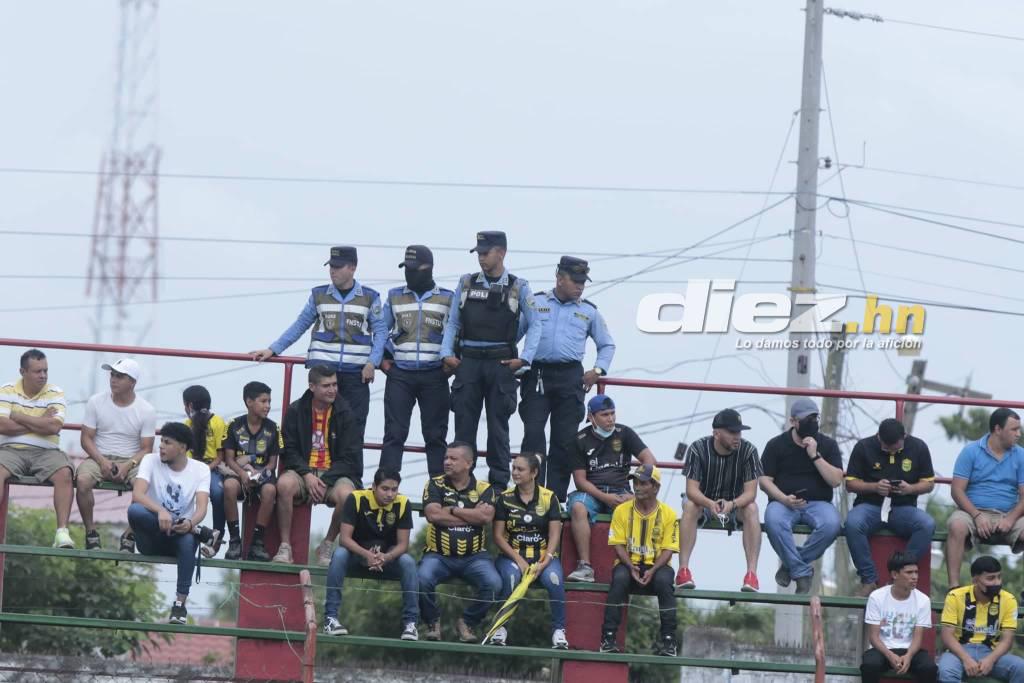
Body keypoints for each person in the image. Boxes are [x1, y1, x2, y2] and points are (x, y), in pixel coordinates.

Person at [250, 245, 387, 560]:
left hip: (354, 376)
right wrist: (273, 349)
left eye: (339, 266)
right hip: (321, 368)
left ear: (353, 268)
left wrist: (374, 362)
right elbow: (299, 325)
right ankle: (304, 481)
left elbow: (380, 332)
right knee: (307, 425)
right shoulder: (318, 295)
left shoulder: (370, 297)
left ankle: (345, 489)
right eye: (331, 266)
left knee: (351, 432)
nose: (333, 271)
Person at [439, 231, 542, 488]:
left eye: (486, 253)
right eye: (479, 254)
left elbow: (536, 324)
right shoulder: (465, 283)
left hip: (501, 363)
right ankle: (462, 485)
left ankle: (497, 486)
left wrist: (525, 358)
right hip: (469, 362)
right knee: (464, 427)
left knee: (498, 428)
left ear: (501, 253)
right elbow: (452, 322)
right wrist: (445, 354)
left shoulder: (519, 286)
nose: (481, 258)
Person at [518, 256, 615, 500]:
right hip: (537, 374)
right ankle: (531, 497)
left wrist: (598, 371)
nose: (580, 286)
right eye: (575, 280)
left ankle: (555, 500)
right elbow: (513, 335)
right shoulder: (536, 302)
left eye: (583, 281)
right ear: (559, 278)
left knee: (564, 442)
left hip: (571, 377)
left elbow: (607, 345)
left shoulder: (589, 311)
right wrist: (515, 364)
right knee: (533, 436)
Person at [378, 245, 454, 479]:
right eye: (406, 269)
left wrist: (449, 365)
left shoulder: (448, 298)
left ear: (428, 268)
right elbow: (380, 330)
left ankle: (439, 490)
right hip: (400, 374)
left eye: (413, 269)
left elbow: (457, 332)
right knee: (394, 433)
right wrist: (382, 360)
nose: (409, 274)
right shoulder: (394, 296)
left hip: (435, 375)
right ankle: (386, 488)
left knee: (435, 436)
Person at [276, 365, 363, 564]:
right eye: (326, 386)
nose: (332, 390)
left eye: (335, 384)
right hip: (302, 472)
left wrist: (325, 480)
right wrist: (307, 475)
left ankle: (327, 544)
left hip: (333, 474)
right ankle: (285, 547)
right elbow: (289, 450)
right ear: (312, 386)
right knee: (283, 485)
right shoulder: (296, 410)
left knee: (349, 496)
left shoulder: (345, 413)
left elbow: (350, 458)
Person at [565, 395, 656, 583]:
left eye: (613, 413)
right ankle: (585, 567)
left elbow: (650, 461)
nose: (611, 419)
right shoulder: (579, 439)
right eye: (605, 414)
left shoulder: (625, 433)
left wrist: (637, 488)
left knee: (641, 505)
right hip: (592, 492)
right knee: (577, 507)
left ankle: (640, 564)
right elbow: (580, 481)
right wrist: (605, 497)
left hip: (622, 489)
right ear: (591, 417)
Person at [127, 422, 211, 624]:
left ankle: (179, 605)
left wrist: (190, 524)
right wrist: (161, 511)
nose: (161, 447)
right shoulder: (150, 460)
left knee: (187, 541)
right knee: (135, 511)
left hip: (179, 537)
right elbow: (137, 495)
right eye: (161, 441)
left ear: (182, 447)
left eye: (167, 442)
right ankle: (198, 531)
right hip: (152, 536)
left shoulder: (200, 470)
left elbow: (201, 508)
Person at [418, 441, 500, 643]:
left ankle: (467, 622)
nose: (447, 462)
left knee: (494, 584)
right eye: (446, 457)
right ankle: (432, 622)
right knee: (421, 579)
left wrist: (453, 510)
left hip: (474, 557)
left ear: (468, 463)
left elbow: (485, 519)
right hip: (438, 555)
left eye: (453, 459)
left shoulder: (484, 488)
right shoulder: (435, 484)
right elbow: (433, 516)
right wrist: (472, 514)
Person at [323, 468, 419, 641]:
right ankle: (330, 619)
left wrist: (386, 557)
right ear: (374, 486)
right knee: (339, 555)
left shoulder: (403, 503)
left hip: (386, 560)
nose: (390, 494)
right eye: (385, 489)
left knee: (408, 562)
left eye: (394, 489)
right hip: (357, 555)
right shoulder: (357, 498)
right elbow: (344, 539)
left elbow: (403, 544)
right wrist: (366, 554)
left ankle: (411, 624)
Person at [759, 397, 843, 594]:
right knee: (773, 520)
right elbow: (764, 481)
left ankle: (791, 567)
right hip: (784, 502)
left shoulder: (828, 445)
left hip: (818, 503)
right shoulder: (776, 445)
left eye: (815, 418)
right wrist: (783, 498)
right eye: (807, 419)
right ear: (793, 421)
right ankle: (801, 570)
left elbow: (836, 480)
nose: (812, 423)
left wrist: (814, 455)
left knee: (832, 525)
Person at [845, 418, 936, 596]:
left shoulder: (918, 447)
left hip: (903, 508)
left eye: (895, 448)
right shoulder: (863, 447)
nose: (891, 451)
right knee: (852, 523)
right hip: (869, 505)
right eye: (886, 448)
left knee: (927, 524)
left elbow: (928, 484)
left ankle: (899, 573)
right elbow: (850, 484)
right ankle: (869, 579)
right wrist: (874, 487)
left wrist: (910, 489)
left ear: (905, 437)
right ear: (878, 437)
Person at [676, 408, 763, 592]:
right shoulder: (697, 448)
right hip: (703, 503)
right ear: (716, 433)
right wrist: (709, 503)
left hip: (735, 504)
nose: (737, 436)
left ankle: (751, 575)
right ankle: (683, 571)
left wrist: (732, 504)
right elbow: (691, 490)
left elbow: (750, 493)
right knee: (690, 505)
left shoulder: (749, 451)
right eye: (732, 432)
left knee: (752, 508)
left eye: (739, 432)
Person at [599, 464, 679, 657]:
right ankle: (608, 638)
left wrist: (652, 570)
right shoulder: (621, 511)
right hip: (628, 563)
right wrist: (630, 566)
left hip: (658, 565)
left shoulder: (668, 513)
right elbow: (617, 544)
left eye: (643, 483)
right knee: (619, 580)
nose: (637, 487)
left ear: (656, 487)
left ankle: (669, 642)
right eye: (635, 482)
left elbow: (669, 549)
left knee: (664, 581)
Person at [77, 358, 156, 552]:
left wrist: (128, 465)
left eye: (120, 376)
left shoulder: (146, 410)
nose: (113, 379)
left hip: (131, 460)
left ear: (133, 382)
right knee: (82, 480)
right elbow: (86, 438)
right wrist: (102, 461)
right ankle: (91, 532)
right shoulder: (96, 401)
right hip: (99, 456)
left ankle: (130, 533)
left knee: (145, 485)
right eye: (112, 374)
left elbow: (147, 448)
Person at [490, 453, 568, 649]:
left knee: (554, 580)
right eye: (513, 468)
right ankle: (500, 628)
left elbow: (555, 534)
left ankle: (559, 631)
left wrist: (546, 560)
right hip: (512, 556)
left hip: (544, 556)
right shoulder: (505, 498)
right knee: (510, 578)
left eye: (520, 469)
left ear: (534, 473)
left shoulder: (549, 498)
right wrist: (519, 560)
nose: (514, 472)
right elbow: (498, 536)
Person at [0, 349, 74, 548]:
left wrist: (20, 417)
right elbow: (1, 426)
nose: (43, 375)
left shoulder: (55, 392)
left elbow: (54, 426)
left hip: (47, 453)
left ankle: (61, 533)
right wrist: (40, 420)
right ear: (23, 371)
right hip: (10, 451)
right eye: (37, 371)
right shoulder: (6, 389)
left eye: (45, 371)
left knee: (65, 473)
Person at [946, 408, 1024, 588]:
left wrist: (1011, 518)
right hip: (973, 512)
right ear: (997, 429)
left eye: (1019, 429)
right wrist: (977, 515)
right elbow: (957, 491)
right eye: (1014, 429)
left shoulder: (1021, 455)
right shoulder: (970, 451)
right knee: (956, 525)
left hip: (1009, 513)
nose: (1018, 434)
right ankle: (954, 588)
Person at [938, 555, 1024, 682]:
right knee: (947, 671)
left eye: (999, 577)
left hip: (991, 651)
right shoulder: (955, 596)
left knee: (1020, 667)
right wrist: (966, 659)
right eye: (990, 578)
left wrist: (991, 659)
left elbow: (1007, 640)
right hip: (959, 650)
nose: (997, 582)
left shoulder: (1008, 599)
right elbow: (947, 635)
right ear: (975, 580)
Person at [222, 381, 282, 561]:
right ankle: (234, 541)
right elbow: (229, 459)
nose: (268, 406)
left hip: (263, 475)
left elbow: (272, 464)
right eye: (263, 401)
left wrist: (259, 475)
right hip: (238, 474)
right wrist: (242, 474)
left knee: (270, 490)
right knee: (229, 487)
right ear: (249, 402)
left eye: (269, 401)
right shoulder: (234, 425)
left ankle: (257, 542)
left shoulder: (273, 428)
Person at [860, 550, 937, 683]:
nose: (915, 577)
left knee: (929, 667)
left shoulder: (923, 600)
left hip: (910, 650)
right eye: (909, 572)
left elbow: (918, 638)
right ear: (895, 574)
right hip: (882, 650)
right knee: (869, 665)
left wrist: (909, 656)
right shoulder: (877, 597)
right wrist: (890, 655)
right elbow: (873, 637)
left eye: (916, 572)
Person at [183, 385, 229, 557]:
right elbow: (185, 456)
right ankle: (190, 531)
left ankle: (217, 537)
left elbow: (219, 457)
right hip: (191, 468)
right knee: (183, 493)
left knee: (218, 493)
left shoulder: (217, 422)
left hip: (212, 468)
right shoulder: (187, 425)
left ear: (189, 406)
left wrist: (204, 470)